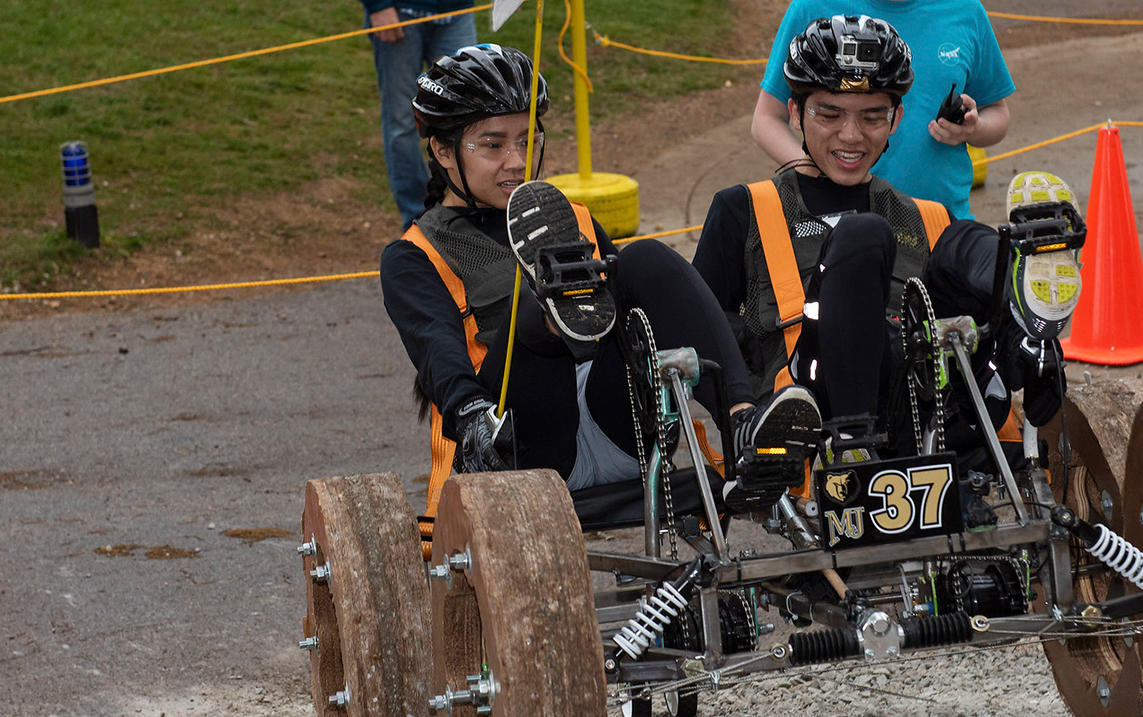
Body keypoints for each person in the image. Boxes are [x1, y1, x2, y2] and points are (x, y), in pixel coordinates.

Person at [379, 44, 823, 523]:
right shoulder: (415, 254)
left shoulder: (575, 220)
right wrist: (470, 413)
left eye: (527, 141)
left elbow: (650, 306)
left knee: (645, 259)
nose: (516, 161)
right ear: (443, 151)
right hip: (521, 438)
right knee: (533, 303)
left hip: (622, 423)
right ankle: (552, 313)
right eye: (493, 145)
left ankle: (743, 429)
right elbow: (437, 352)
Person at [694, 17, 1066, 473]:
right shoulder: (743, 210)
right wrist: (743, 413)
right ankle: (856, 448)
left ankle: (1029, 317)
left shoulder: (921, 215)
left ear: (897, 119)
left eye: (872, 117)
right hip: (810, 407)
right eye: (829, 114)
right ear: (794, 113)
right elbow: (702, 337)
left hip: (922, 404)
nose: (851, 136)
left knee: (966, 240)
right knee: (864, 235)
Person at [750, 0, 1013, 220]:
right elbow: (766, 119)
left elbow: (998, 113)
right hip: (839, 224)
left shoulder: (965, 9)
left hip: (943, 223)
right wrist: (818, 172)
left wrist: (974, 129)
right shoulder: (812, 6)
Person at [360, 0, 479, 230]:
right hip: (399, 11)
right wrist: (378, 5)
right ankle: (419, 222)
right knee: (401, 123)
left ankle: (467, 215)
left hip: (459, 11)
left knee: (468, 117)